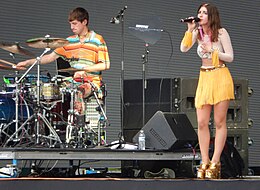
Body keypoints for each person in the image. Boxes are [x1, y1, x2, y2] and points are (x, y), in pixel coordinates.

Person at [16, 7, 110, 115]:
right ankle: (51, 124)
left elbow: (105, 65)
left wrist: (85, 69)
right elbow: (49, 57)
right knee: (48, 91)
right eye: (70, 24)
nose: (72, 27)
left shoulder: (97, 39)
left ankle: (78, 123)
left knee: (77, 91)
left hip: (91, 81)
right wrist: (27, 62)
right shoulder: (69, 41)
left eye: (74, 24)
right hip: (72, 81)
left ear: (84, 22)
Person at [180, 3, 234, 179]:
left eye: (204, 13)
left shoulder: (221, 32)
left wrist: (213, 50)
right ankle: (204, 160)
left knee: (219, 122)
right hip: (204, 77)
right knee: (202, 122)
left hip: (220, 75)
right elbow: (184, 48)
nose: (200, 15)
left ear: (211, 16)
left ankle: (215, 160)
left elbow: (230, 57)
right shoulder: (197, 33)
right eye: (199, 12)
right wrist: (190, 29)